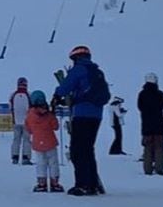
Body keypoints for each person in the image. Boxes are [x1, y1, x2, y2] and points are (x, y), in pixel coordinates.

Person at [52, 44, 109, 196]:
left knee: (78, 150)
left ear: (76, 58)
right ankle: (92, 184)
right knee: (88, 149)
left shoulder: (79, 70)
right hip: (96, 115)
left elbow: (66, 86)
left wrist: (57, 95)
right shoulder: (97, 72)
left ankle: (82, 184)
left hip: (82, 114)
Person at [25, 89, 63, 192]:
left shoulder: (29, 115)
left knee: (40, 163)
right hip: (50, 142)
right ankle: (55, 182)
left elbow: (28, 129)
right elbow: (55, 127)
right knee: (53, 163)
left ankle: (41, 183)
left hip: (38, 143)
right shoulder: (49, 115)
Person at [136, 73, 163, 175]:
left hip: (146, 125)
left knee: (147, 148)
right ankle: (159, 169)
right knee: (159, 148)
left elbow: (140, 107)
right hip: (159, 125)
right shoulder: (160, 94)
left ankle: (148, 169)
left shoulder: (142, 94)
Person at [10, 77, 32, 165]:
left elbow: (10, 107)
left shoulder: (13, 95)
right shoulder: (29, 94)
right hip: (27, 122)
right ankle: (25, 157)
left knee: (16, 140)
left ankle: (15, 157)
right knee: (27, 140)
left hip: (16, 121)